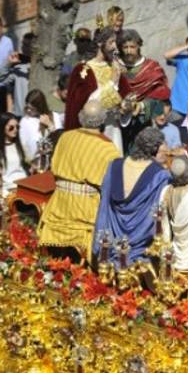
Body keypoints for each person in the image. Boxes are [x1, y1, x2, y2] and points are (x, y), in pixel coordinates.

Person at [37, 101, 121, 262]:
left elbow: (53, 167)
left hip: (59, 203)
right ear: (103, 119)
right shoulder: (108, 148)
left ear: (81, 117)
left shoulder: (65, 137)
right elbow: (113, 185)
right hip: (85, 209)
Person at [93, 127, 172, 266]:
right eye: (163, 148)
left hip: (112, 240)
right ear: (154, 150)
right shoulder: (160, 175)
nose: (167, 152)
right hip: (141, 245)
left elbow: (104, 204)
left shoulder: (114, 165)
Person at [64, 26, 131, 140]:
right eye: (111, 42)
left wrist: (128, 106)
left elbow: (127, 95)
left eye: (116, 42)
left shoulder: (115, 67)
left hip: (113, 130)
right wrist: (112, 83)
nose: (115, 47)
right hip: (91, 132)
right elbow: (84, 105)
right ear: (100, 43)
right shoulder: (83, 70)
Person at [0, 113, 30, 195]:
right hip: (4, 189)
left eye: (17, 127)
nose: (15, 130)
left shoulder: (21, 145)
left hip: (23, 186)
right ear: (3, 127)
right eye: (11, 127)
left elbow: (28, 164)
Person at [19, 89, 56, 161]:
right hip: (35, 162)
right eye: (27, 107)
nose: (29, 111)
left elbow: (58, 139)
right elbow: (23, 146)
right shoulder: (25, 121)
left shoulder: (53, 116)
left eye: (32, 109)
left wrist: (49, 125)